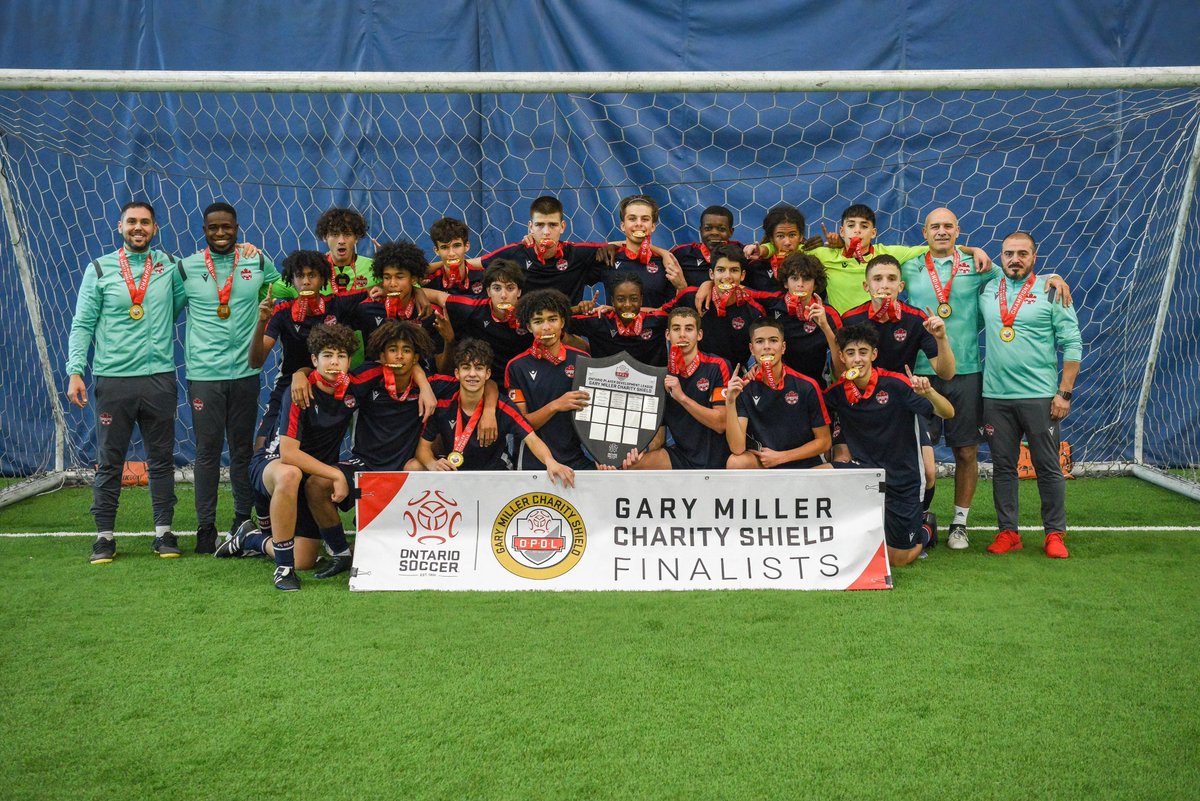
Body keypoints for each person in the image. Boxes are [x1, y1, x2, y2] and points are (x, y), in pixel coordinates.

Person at [901, 208, 1072, 550]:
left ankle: (960, 525)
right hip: (921, 371)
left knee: (966, 451)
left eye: (948, 226)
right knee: (917, 454)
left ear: (958, 231)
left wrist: (1053, 276)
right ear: (924, 232)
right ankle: (914, 520)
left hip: (968, 374)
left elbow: (1019, 276)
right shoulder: (908, 265)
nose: (942, 231)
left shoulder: (980, 268)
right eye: (935, 226)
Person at [66, 201, 184, 564]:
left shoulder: (169, 267)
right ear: (119, 226)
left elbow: (180, 304)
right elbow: (83, 323)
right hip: (113, 381)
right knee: (109, 461)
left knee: (161, 460)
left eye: (145, 222)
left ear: (155, 228)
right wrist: (75, 371)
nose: (138, 228)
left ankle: (164, 533)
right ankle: (104, 537)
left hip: (159, 378)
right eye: (132, 221)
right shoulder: (99, 269)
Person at [177, 202, 280, 553]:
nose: (220, 233)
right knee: (207, 451)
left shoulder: (257, 261)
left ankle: (241, 520)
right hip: (204, 375)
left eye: (227, 227)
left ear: (237, 227)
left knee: (240, 450)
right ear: (204, 230)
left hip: (246, 373)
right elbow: (162, 309)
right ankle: (205, 528)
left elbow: (287, 291)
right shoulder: (187, 268)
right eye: (213, 228)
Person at [230, 324, 360, 591]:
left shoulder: (354, 389)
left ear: (349, 360)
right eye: (327, 355)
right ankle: (283, 570)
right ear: (314, 360)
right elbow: (288, 454)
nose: (334, 362)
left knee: (304, 558)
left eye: (341, 356)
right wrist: (336, 474)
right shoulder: (300, 390)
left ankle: (249, 538)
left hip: (310, 476)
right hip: (273, 465)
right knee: (291, 473)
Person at [981, 232, 1082, 558]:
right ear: (1001, 256)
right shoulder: (986, 289)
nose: (1015, 259)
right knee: (1003, 467)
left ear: (1034, 257)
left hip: (1040, 396)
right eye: (1009, 253)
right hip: (995, 396)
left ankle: (1054, 534)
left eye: (1022, 253)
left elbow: (1073, 344)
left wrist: (1063, 393)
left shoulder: (1051, 290)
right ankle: (1008, 532)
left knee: (1048, 466)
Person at [824, 324, 954, 566]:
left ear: (874, 354)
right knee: (816, 474)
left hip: (902, 479)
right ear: (841, 357)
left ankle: (926, 528)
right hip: (864, 474)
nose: (857, 358)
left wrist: (929, 393)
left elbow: (948, 412)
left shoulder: (897, 384)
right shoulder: (836, 393)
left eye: (863, 352)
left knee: (898, 559)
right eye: (850, 353)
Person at [770, 203, 992, 313]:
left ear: (874, 233)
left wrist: (970, 249)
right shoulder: (823, 255)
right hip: (842, 335)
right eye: (851, 226)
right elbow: (786, 247)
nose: (857, 232)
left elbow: (932, 247)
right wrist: (762, 249)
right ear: (842, 230)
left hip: (881, 332)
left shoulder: (888, 254)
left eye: (864, 226)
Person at [250, 250, 368, 451]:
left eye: (312, 275)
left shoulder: (338, 304)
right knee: (261, 446)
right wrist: (261, 322)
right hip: (289, 383)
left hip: (331, 386)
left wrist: (420, 292)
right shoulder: (282, 311)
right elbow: (256, 361)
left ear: (322, 278)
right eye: (300, 275)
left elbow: (381, 289)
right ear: (292, 280)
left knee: (314, 447)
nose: (306, 281)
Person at [416, 338, 575, 487]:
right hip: (455, 472)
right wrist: (432, 463)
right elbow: (423, 448)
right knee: (413, 466)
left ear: (488, 374)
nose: (472, 374)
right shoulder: (443, 404)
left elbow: (532, 439)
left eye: (478, 368)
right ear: (457, 373)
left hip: (496, 475)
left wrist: (550, 461)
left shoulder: (503, 407)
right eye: (466, 367)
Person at [607, 307, 731, 471]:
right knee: (627, 465)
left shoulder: (717, 366)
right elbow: (659, 435)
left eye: (689, 329)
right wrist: (642, 451)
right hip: (680, 457)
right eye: (676, 328)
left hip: (718, 460)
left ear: (699, 335)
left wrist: (681, 398)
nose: (682, 334)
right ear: (667, 335)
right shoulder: (662, 377)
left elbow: (721, 423)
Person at [504, 289, 594, 471]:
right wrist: (556, 405)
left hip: (576, 458)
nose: (546, 327)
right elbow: (521, 425)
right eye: (538, 321)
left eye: (552, 319)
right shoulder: (516, 367)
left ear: (562, 322)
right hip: (532, 460)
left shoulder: (583, 360)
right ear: (529, 327)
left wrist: (603, 455)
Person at [725, 318, 832, 469]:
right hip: (766, 463)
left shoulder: (807, 386)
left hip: (803, 463)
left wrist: (782, 457)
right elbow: (737, 448)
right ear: (751, 349)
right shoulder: (744, 387)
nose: (767, 347)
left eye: (773, 340)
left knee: (826, 470)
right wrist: (729, 402)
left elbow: (825, 441)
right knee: (736, 462)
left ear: (783, 347)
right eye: (760, 341)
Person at [477, 195, 606, 301]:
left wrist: (611, 247)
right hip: (525, 328)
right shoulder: (515, 253)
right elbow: (469, 265)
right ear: (530, 227)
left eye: (552, 225)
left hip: (566, 329)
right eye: (539, 225)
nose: (546, 232)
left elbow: (623, 247)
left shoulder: (576, 254)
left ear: (562, 227)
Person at [422, 259, 532, 376]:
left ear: (519, 291)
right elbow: (439, 297)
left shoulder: (531, 314)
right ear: (488, 291)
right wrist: (417, 290)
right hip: (487, 377)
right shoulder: (473, 307)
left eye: (510, 288)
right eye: (497, 288)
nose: (503, 295)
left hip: (520, 375)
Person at [665, 244, 769, 367]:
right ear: (711, 274)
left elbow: (763, 351)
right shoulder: (690, 297)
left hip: (733, 380)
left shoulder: (755, 311)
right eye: (721, 270)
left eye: (734, 270)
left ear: (742, 275)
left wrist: (757, 368)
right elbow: (659, 316)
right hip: (691, 374)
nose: (727, 276)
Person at [348, 240, 442, 371]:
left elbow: (439, 362)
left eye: (399, 277)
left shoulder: (428, 312)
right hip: (377, 383)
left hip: (418, 383)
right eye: (387, 277)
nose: (392, 283)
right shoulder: (366, 309)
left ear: (413, 279)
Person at [756, 253, 843, 387]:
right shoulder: (772, 305)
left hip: (815, 385)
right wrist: (710, 283)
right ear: (786, 283)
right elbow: (743, 291)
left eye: (806, 279)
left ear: (815, 284)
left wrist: (825, 326)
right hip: (778, 384)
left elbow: (841, 367)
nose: (800, 285)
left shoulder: (828, 314)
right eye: (794, 278)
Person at [603, 194, 688, 307]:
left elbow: (675, 310)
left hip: (654, 324)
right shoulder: (608, 257)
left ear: (653, 226)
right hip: (614, 325)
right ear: (623, 225)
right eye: (632, 219)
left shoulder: (666, 263)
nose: (639, 224)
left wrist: (682, 287)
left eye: (645, 219)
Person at [570, 273, 668, 366]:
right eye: (621, 299)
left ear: (641, 300)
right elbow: (558, 320)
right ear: (612, 301)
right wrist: (577, 309)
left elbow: (680, 312)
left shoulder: (657, 321)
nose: (628, 305)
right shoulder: (599, 321)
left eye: (634, 299)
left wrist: (681, 285)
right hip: (604, 383)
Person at [671, 205, 739, 288]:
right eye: (708, 228)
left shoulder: (741, 252)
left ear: (731, 232)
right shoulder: (683, 253)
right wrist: (663, 253)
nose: (714, 233)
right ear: (701, 230)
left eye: (721, 229)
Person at [423, 216, 485, 297]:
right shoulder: (430, 281)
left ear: (467, 246)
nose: (451, 253)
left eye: (457, 245)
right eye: (444, 247)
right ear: (436, 251)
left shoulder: (484, 276)